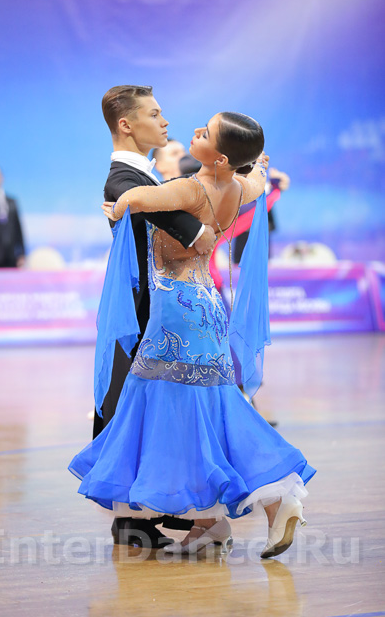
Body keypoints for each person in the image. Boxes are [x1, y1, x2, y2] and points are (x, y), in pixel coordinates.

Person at [70, 111, 315, 558]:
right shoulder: (239, 187)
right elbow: (258, 179)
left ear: (219, 158)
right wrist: (259, 165)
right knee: (205, 409)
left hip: (177, 311)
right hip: (208, 307)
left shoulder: (190, 188)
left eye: (205, 133)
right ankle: (210, 523)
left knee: (179, 409)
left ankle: (273, 499)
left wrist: (117, 207)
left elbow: (135, 197)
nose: (195, 132)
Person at [92, 85, 217, 548]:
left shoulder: (143, 178)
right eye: (155, 114)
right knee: (129, 406)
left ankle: (149, 510)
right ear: (126, 124)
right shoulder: (123, 182)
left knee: (152, 409)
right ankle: (132, 517)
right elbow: (198, 234)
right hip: (141, 313)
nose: (165, 122)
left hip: (159, 311)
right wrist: (202, 220)